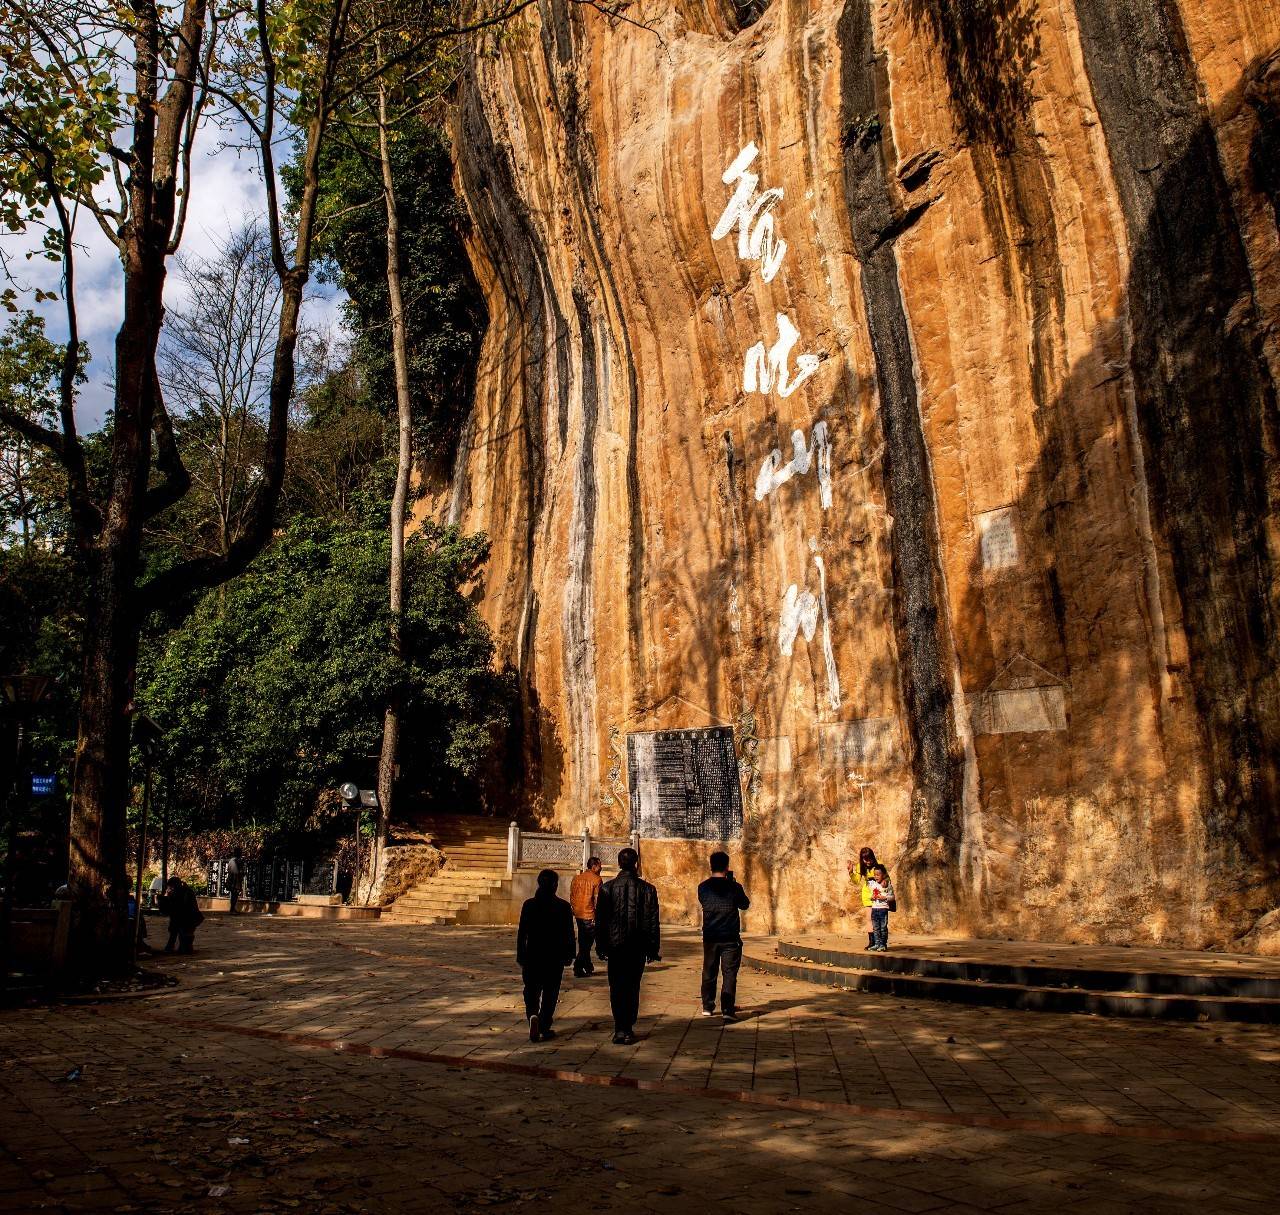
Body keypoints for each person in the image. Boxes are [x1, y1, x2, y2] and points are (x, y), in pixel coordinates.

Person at [594, 847, 660, 1045]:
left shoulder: (607, 888)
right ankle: (628, 1028)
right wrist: (653, 948)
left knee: (616, 987)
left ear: (619, 863)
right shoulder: (648, 889)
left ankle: (619, 1028)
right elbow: (653, 922)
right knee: (632, 987)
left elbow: (601, 921)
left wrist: (601, 945)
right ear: (636, 863)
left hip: (615, 947)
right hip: (637, 947)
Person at [516, 869, 576, 1042]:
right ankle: (544, 1025)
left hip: (533, 955)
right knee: (551, 992)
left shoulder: (529, 905)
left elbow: (523, 933)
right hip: (554, 956)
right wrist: (570, 954)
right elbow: (569, 933)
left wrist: (521, 954)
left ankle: (533, 1015)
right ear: (555, 886)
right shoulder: (563, 907)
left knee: (531, 990)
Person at [697, 851, 750, 1021]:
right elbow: (744, 904)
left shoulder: (703, 887)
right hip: (730, 937)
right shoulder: (734, 887)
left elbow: (704, 902)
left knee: (709, 971)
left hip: (710, 936)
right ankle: (727, 1009)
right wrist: (733, 884)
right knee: (729, 973)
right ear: (727, 867)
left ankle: (707, 1006)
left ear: (711, 866)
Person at [569, 856, 604, 977]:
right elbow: (597, 900)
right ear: (594, 866)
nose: (601, 868)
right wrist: (598, 916)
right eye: (600, 865)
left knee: (584, 941)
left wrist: (574, 909)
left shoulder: (577, 878)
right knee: (586, 944)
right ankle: (578, 967)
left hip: (578, 913)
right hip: (589, 915)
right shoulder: (597, 879)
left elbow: (572, 896)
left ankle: (588, 965)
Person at [159, 876, 203, 954]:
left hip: (186, 919)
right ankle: (175, 946)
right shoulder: (186, 891)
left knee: (178, 932)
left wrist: (167, 897)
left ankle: (174, 947)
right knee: (175, 931)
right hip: (185, 918)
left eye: (171, 887)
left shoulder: (184, 892)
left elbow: (178, 907)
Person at [847, 847, 879, 950]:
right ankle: (872, 942)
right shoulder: (860, 866)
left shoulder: (879, 865)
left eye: (869, 858)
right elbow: (856, 881)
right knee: (869, 919)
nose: (868, 861)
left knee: (879, 919)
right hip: (867, 895)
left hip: (879, 896)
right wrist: (851, 872)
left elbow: (886, 879)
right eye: (865, 859)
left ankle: (880, 942)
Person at [868, 863, 895, 951]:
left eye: (878, 875)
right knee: (876, 928)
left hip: (883, 909)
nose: (876, 877)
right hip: (874, 909)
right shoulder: (873, 885)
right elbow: (871, 895)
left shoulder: (887, 885)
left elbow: (892, 897)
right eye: (875, 875)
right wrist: (872, 897)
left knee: (883, 928)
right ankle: (877, 944)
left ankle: (883, 945)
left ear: (883, 875)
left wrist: (884, 897)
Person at [226, 849, 244, 915]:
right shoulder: (236, 860)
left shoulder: (231, 860)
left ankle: (232, 909)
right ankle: (232, 909)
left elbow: (228, 869)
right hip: (234, 879)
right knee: (234, 895)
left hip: (232, 879)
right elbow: (238, 871)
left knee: (234, 895)